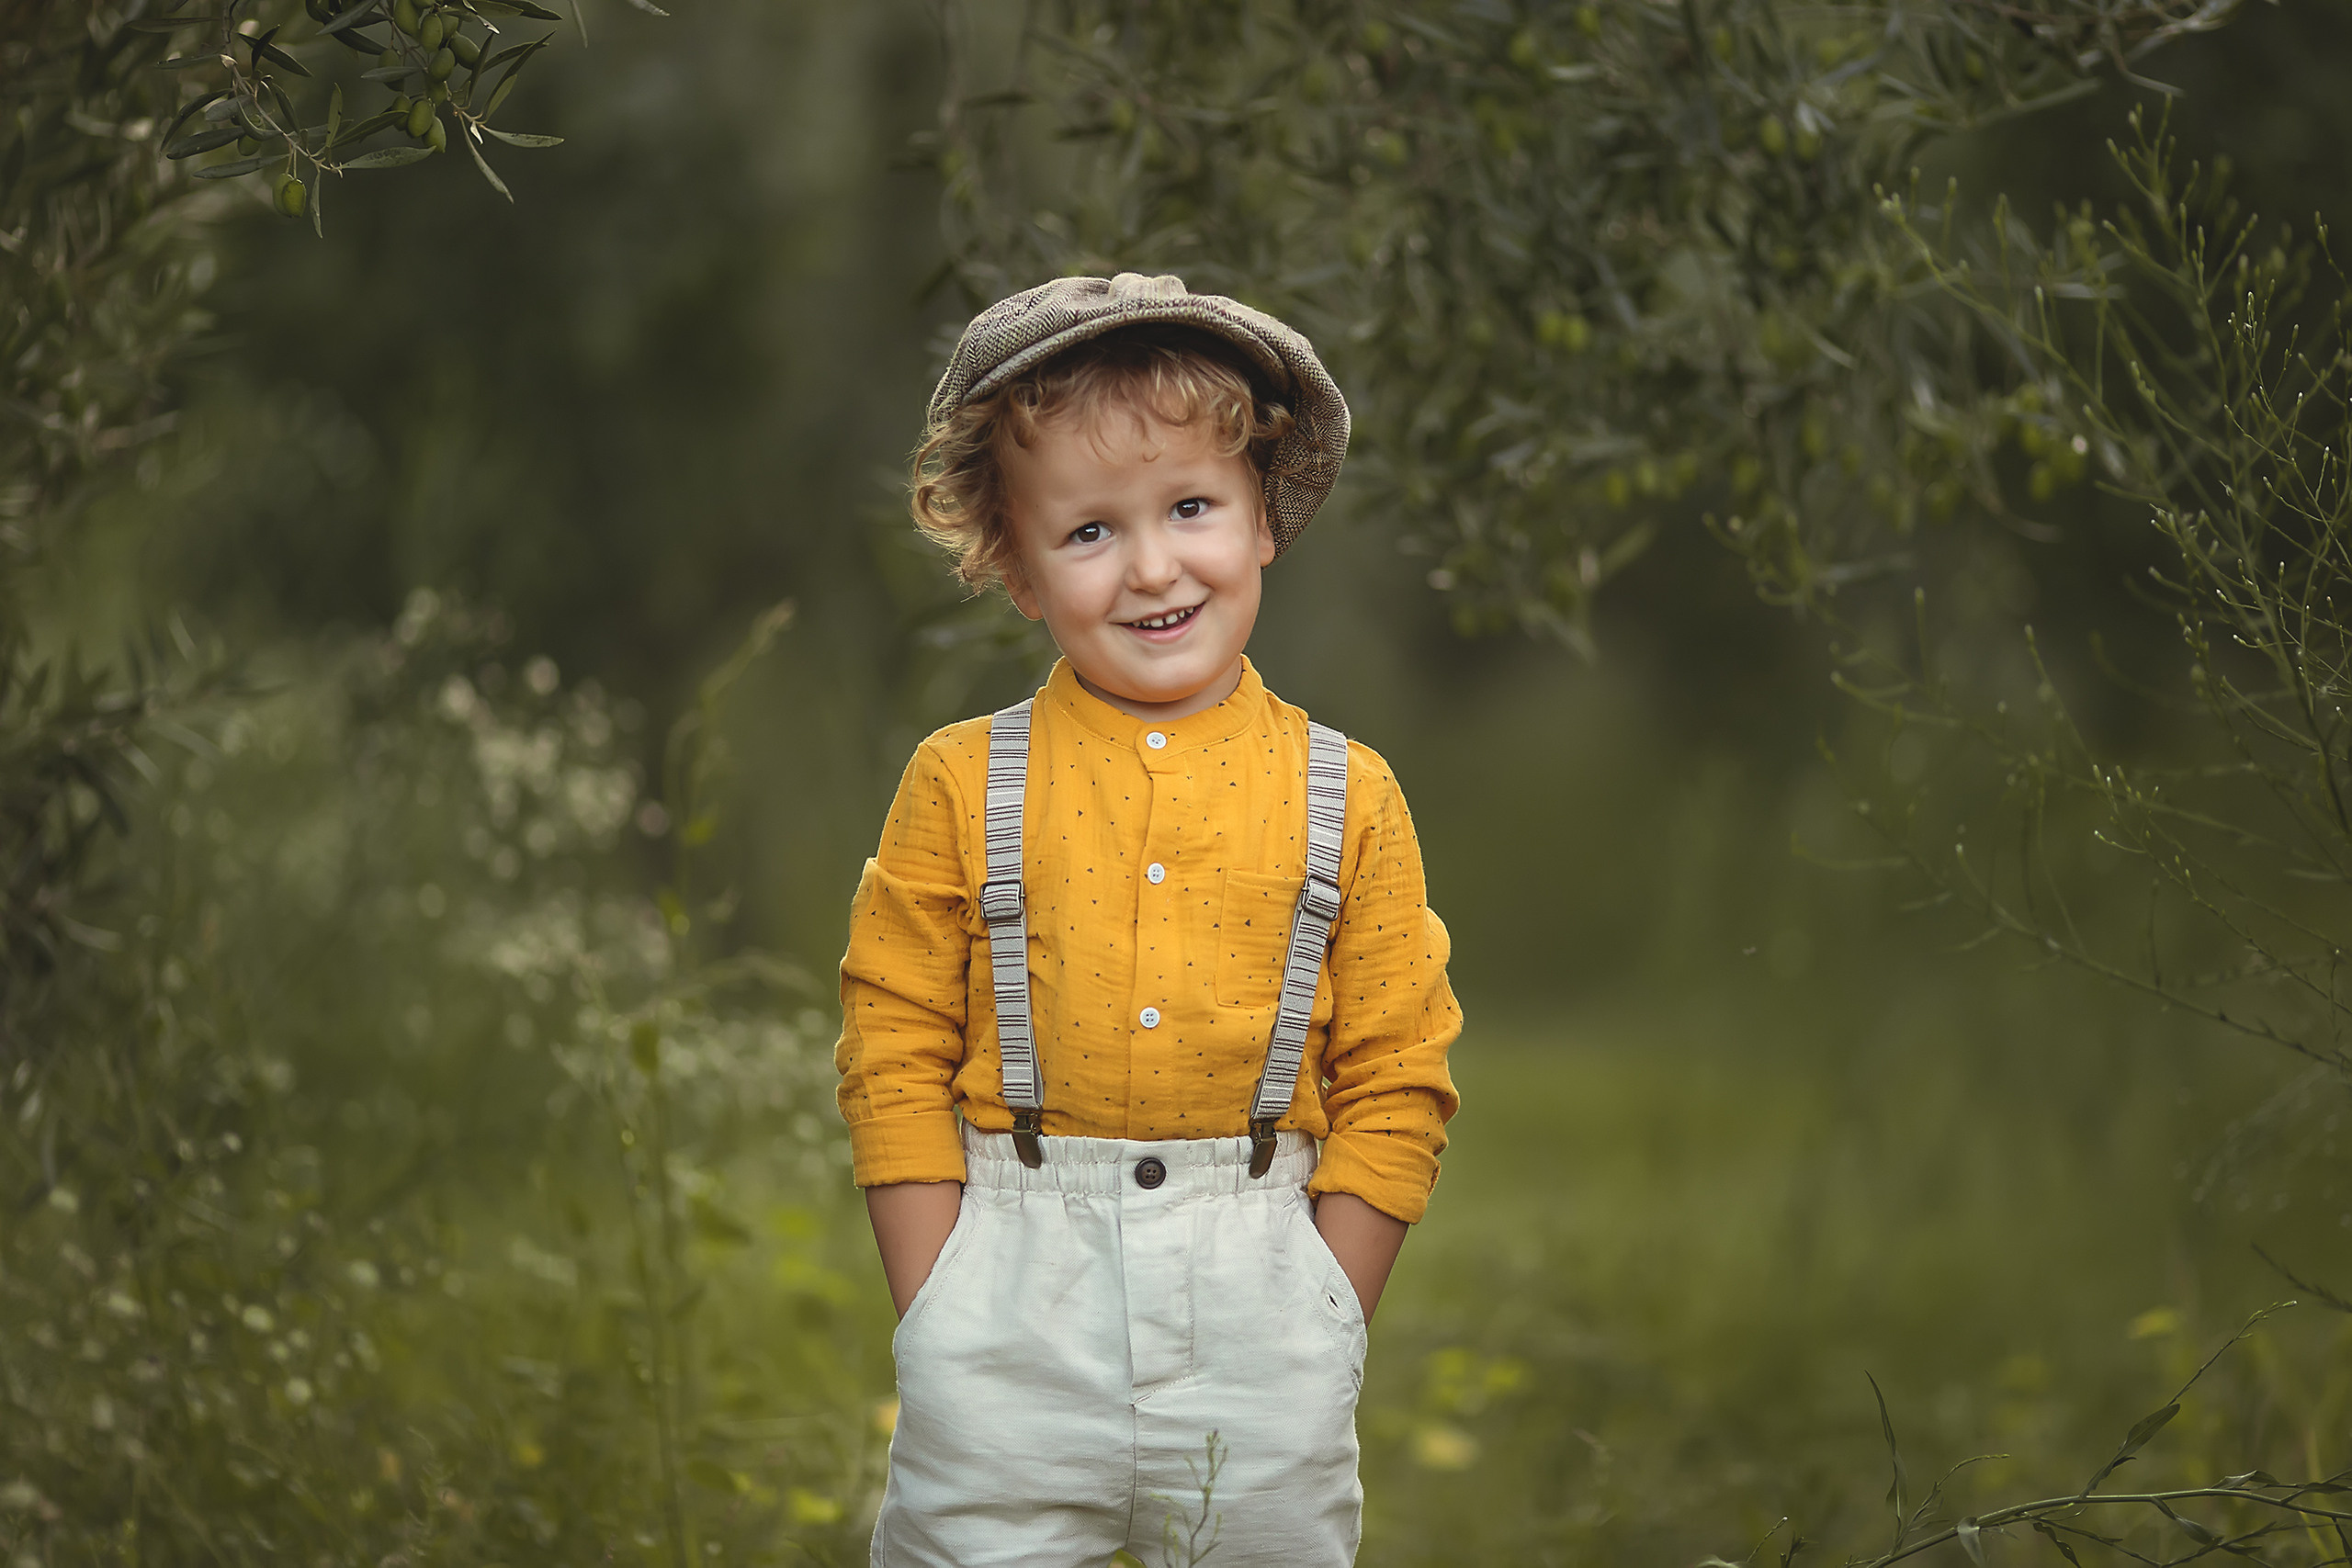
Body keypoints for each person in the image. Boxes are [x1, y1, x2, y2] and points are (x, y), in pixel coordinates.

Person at [835, 271, 1463, 1568]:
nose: (1154, 567)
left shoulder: (1350, 795)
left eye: (1190, 507)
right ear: (1016, 564)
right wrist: (934, 1298)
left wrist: (1330, 1308)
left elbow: (1400, 1071)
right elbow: (890, 1043)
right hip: (1005, 1306)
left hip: (1265, 1304)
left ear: (1264, 515)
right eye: (1090, 533)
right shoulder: (961, 781)